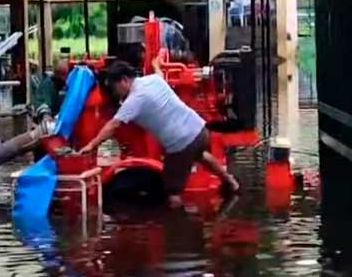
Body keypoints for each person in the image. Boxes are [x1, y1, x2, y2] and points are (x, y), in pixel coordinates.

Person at [77, 59, 239, 208]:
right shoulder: (153, 80)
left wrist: (91, 145)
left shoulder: (134, 100)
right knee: (200, 154)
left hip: (181, 144)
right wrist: (156, 64)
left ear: (124, 80)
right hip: (200, 131)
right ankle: (231, 182)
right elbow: (160, 73)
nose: (115, 93)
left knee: (172, 191)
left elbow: (113, 125)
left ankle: (179, 225)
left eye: (115, 88)